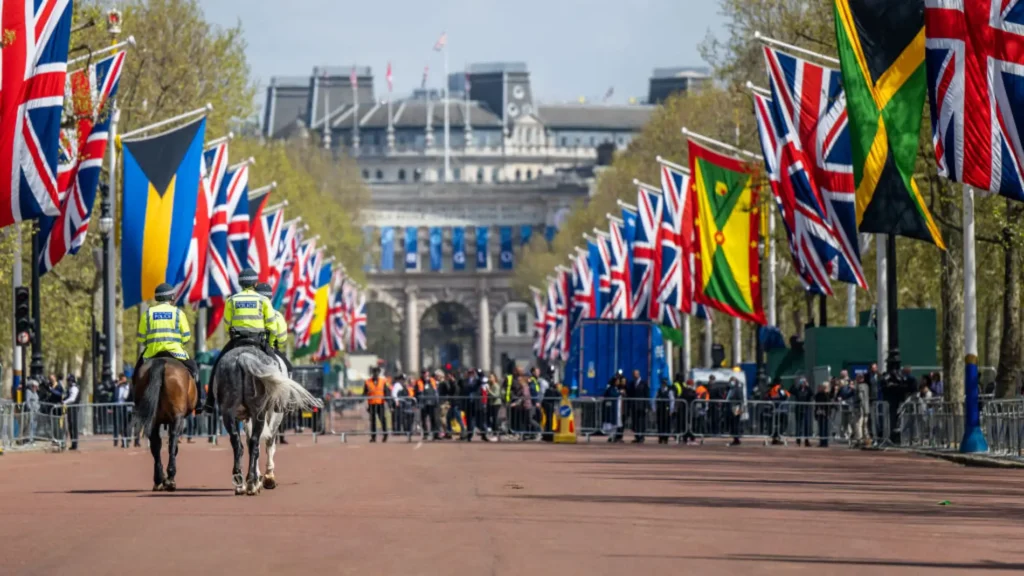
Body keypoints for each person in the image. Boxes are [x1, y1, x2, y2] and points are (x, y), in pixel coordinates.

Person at [201, 268, 275, 414]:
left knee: (217, 366)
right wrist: (270, 344)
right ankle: (277, 400)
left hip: (237, 340)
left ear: (240, 283)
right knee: (276, 366)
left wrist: (233, 336)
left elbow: (227, 323)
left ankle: (210, 402)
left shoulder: (232, 300)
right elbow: (271, 325)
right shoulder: (263, 300)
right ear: (255, 283)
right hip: (257, 341)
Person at [135, 283, 200, 413]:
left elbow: (141, 338)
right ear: (171, 297)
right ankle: (200, 403)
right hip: (176, 353)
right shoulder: (178, 313)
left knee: (137, 374)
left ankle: (137, 403)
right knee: (194, 371)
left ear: (157, 298)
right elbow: (186, 336)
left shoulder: (148, 313)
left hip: (152, 353)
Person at [254, 283, 291, 372]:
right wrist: (273, 345)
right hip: (269, 347)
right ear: (270, 298)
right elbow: (282, 339)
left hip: (246, 343)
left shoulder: (249, 313)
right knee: (288, 367)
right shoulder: (277, 315)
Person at [364, 367, 390, 442]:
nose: (375, 374)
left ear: (379, 373)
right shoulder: (367, 382)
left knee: (382, 419)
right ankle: (373, 437)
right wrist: (359, 399)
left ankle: (385, 435)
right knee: (373, 421)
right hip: (371, 404)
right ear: (372, 373)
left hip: (380, 403)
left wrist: (389, 402)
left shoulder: (383, 381)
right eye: (374, 372)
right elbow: (364, 393)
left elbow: (386, 392)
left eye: (377, 372)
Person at [417, 370, 441, 440]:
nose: (425, 374)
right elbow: (418, 391)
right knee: (423, 419)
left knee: (434, 418)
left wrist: (437, 401)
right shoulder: (419, 381)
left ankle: (435, 434)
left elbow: (436, 391)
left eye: (426, 373)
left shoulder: (432, 380)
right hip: (423, 403)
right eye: (424, 373)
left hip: (432, 402)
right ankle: (426, 433)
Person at [791, 377, 814, 447]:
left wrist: (808, 386)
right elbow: (791, 391)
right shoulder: (798, 389)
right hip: (798, 409)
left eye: (804, 382)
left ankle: (807, 440)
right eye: (802, 382)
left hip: (806, 408)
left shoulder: (808, 389)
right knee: (798, 425)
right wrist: (794, 384)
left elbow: (812, 393)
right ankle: (798, 441)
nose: (803, 383)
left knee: (806, 425)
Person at [631, 371, 650, 443]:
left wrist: (647, 406)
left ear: (638, 374)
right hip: (634, 406)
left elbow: (647, 395)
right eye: (633, 374)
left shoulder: (644, 384)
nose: (634, 376)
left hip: (641, 406)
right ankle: (637, 436)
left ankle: (642, 436)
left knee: (641, 421)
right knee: (635, 422)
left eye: (635, 374)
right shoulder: (632, 384)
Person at [654, 378, 674, 444]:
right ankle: (660, 437)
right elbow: (655, 399)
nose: (664, 384)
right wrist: (654, 408)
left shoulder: (669, 391)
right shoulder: (659, 390)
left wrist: (671, 410)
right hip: (660, 409)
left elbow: (672, 401)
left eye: (665, 383)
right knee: (660, 423)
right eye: (663, 383)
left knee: (666, 423)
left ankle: (666, 437)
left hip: (666, 409)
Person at [853, 373, 872, 448]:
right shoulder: (867, 386)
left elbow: (860, 397)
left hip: (860, 408)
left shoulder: (858, 386)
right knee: (865, 425)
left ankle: (859, 440)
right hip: (866, 408)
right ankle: (866, 440)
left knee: (858, 424)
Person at [63, 375, 80, 451]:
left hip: (73, 408)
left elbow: (72, 399)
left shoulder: (74, 388)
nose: (68, 382)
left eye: (69, 381)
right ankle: (73, 443)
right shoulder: (70, 388)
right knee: (71, 426)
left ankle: (75, 443)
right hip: (70, 408)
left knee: (73, 425)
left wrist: (64, 402)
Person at [114, 374, 131, 448]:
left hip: (125, 407)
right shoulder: (117, 387)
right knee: (118, 425)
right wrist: (117, 384)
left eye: (125, 380)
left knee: (126, 425)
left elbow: (125, 396)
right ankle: (119, 441)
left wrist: (125, 386)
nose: (124, 381)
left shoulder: (127, 387)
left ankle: (126, 441)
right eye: (122, 380)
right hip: (118, 407)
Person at [814, 382, 832, 447]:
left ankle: (825, 442)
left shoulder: (827, 394)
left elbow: (828, 402)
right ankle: (821, 442)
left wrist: (826, 392)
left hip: (825, 413)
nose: (819, 389)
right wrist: (815, 414)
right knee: (821, 428)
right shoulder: (818, 395)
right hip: (819, 413)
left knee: (825, 428)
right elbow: (816, 402)